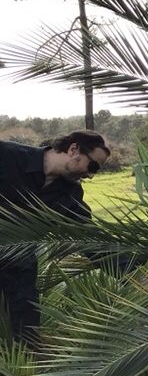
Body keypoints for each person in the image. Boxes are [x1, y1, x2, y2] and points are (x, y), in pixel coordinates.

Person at [0, 130, 110, 344]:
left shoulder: (70, 195)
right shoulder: (8, 156)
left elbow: (88, 239)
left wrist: (136, 272)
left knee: (26, 337)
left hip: (20, 272)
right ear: (73, 149)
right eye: (93, 166)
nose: (91, 175)